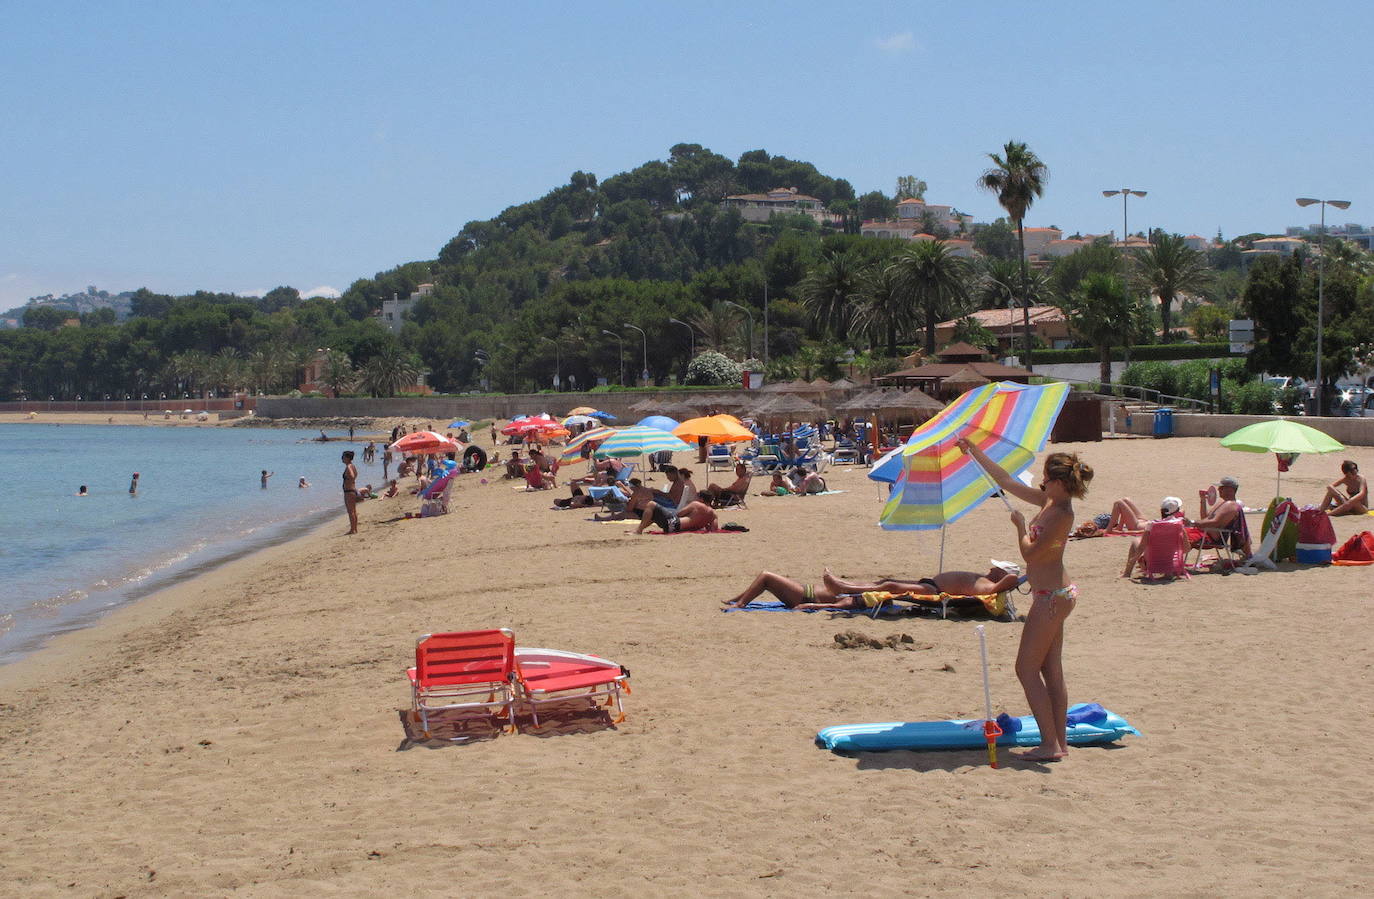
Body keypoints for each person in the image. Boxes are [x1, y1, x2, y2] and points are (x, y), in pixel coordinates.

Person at [958, 437, 1092, 763]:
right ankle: (1059, 741)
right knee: (1049, 669)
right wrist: (974, 451)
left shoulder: (1061, 513)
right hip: (1055, 594)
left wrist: (1020, 527)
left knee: (1026, 669)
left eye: (1046, 478)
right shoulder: (1049, 502)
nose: (1042, 482)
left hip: (1050, 599)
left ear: (1059, 483)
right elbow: (1005, 481)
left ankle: (1051, 744)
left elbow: (1030, 553)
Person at [722, 563, 1022, 610]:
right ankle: (738, 600)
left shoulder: (988, 586)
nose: (992, 566)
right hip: (928, 585)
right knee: (884, 583)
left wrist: (1023, 574)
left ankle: (739, 603)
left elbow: (1007, 583)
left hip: (807, 593)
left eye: (998, 567)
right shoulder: (985, 578)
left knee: (765, 575)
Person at [1182, 476, 1248, 558]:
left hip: (1212, 538)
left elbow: (1215, 522)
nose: (1218, 490)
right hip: (1206, 532)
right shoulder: (1222, 503)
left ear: (1230, 490)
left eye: (1221, 488)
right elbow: (1205, 518)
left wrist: (1192, 523)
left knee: (1181, 537)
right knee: (1178, 533)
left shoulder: (1230, 505)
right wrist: (1203, 500)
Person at [1118, 497, 1187, 576]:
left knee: (1136, 541)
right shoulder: (1179, 525)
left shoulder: (1152, 525)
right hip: (1171, 563)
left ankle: (1127, 573)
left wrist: (1133, 560)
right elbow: (1186, 548)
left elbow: (1141, 547)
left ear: (1161, 510)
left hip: (1152, 563)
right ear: (1177, 511)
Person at [630, 498, 718, 535]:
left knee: (651, 504)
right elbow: (714, 530)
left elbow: (679, 514)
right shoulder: (713, 514)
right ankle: (639, 529)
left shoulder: (697, 504)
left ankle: (638, 530)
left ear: (701, 499)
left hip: (674, 524)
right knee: (654, 514)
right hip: (677, 529)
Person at [341, 450, 359, 535]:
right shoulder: (352, 466)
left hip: (349, 491)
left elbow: (352, 476)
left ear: (347, 458)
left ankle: (353, 529)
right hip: (352, 490)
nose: (342, 458)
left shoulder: (348, 466)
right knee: (353, 511)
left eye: (343, 457)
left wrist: (349, 480)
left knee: (350, 511)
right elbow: (356, 474)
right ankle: (354, 528)